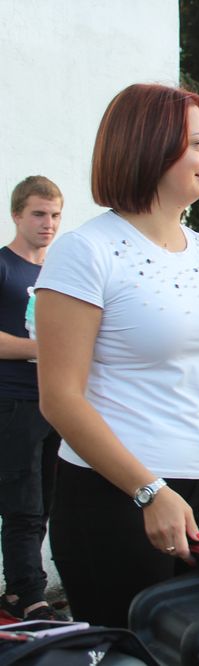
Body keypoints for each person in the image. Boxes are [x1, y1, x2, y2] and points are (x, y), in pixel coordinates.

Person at [34, 84, 199, 627]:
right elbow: (60, 398)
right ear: (151, 145)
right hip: (114, 498)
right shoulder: (85, 251)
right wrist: (149, 491)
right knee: (131, 650)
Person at [0, 176, 63, 621]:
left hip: (56, 401)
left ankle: (21, 591)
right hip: (13, 402)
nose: (48, 224)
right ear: (17, 215)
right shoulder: (4, 267)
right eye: (39, 214)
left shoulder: (56, 273)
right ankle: (29, 595)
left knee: (47, 505)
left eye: (55, 215)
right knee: (22, 504)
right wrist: (48, 349)